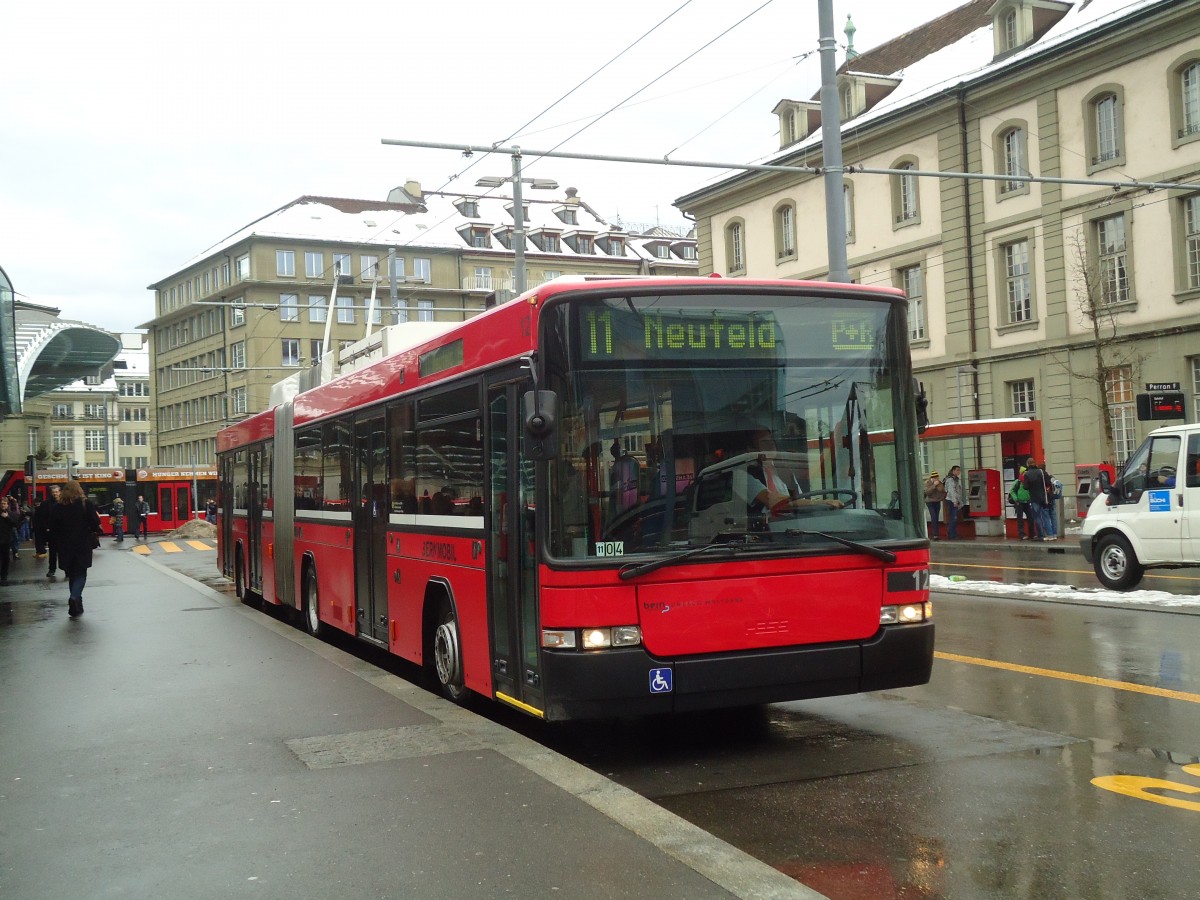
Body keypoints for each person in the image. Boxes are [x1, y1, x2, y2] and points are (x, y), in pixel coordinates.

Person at [47, 480, 103, 618]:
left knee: (72, 573)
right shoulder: (85, 504)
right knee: (81, 573)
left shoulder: (57, 506)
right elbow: (95, 522)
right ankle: (74, 597)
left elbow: (52, 527)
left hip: (64, 546)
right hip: (82, 544)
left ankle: (77, 606)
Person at [1022, 457, 1054, 542]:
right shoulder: (1041, 472)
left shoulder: (1027, 474)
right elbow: (1048, 482)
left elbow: (1025, 487)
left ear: (1028, 464)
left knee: (1037, 517)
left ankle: (1041, 535)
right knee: (1046, 516)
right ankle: (1050, 534)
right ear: (1034, 463)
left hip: (1034, 498)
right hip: (1043, 497)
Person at [33, 485, 61, 576]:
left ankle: (67, 569)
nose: (55, 494)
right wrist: (46, 528)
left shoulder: (64, 502)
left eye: (56, 492)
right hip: (52, 532)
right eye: (53, 492)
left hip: (63, 532)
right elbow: (41, 518)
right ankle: (51, 569)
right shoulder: (45, 504)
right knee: (53, 552)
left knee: (64, 552)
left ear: (60, 492)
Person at [1008, 468, 1034, 540]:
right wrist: (1016, 499)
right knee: (1020, 519)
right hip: (1019, 502)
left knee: (1031, 518)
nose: (1026, 474)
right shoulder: (1018, 481)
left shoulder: (1028, 481)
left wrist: (1030, 498)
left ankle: (1032, 534)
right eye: (1024, 472)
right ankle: (1021, 535)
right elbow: (1012, 491)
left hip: (1027, 502)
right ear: (1022, 473)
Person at [923, 471, 946, 540]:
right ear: (932, 478)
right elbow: (927, 492)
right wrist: (934, 485)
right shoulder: (928, 483)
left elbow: (941, 490)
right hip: (930, 502)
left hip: (937, 501)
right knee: (933, 517)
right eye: (935, 477)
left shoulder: (940, 483)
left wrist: (938, 485)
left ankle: (936, 534)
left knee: (936, 517)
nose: (936, 479)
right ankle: (935, 534)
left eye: (937, 477)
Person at [944, 465, 963, 540]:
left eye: (959, 470)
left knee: (953, 518)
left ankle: (952, 533)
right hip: (951, 501)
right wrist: (955, 501)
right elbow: (952, 491)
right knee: (953, 518)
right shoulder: (951, 480)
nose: (959, 472)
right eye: (957, 470)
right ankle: (952, 534)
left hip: (953, 500)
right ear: (953, 471)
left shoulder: (955, 479)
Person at [0, 501, 16, 586]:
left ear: (7, 505)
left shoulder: (11, 514)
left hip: (6, 540)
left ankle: (4, 577)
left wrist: (7, 517)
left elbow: (15, 524)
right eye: (1, 503)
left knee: (5, 559)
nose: (3, 505)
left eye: (4, 503)